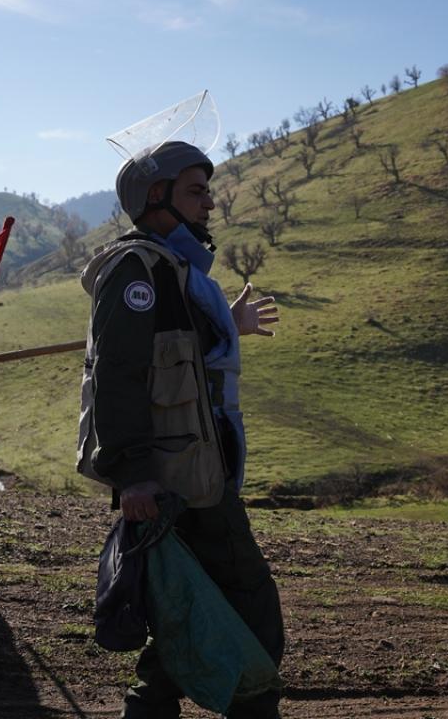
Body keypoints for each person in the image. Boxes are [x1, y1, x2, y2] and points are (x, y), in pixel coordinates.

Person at [78, 141, 282, 719]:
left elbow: (177, 350)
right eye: (196, 192)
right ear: (156, 196)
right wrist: (134, 476)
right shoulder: (137, 271)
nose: (209, 204)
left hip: (197, 470)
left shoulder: (174, 271)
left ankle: (150, 708)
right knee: (248, 602)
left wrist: (228, 325)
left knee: (189, 598)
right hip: (173, 479)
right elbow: (119, 376)